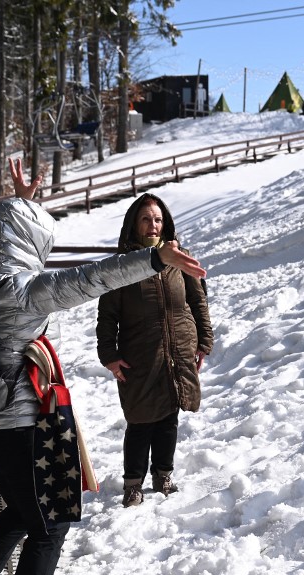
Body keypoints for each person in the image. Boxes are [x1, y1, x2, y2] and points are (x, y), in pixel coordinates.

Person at [0, 159, 207, 575]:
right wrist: (155, 258)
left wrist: (19, 203)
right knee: (52, 520)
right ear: (32, 242)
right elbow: (93, 279)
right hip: (12, 424)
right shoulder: (22, 289)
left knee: (25, 509)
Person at [96, 193, 214, 508]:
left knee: (169, 417)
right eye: (146, 219)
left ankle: (163, 474)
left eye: (158, 219)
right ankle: (133, 484)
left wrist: (204, 342)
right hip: (138, 355)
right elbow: (107, 317)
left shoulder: (180, 257)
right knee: (140, 420)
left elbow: (198, 301)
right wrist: (109, 356)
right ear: (134, 224)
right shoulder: (121, 265)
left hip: (178, 349)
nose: (153, 225)